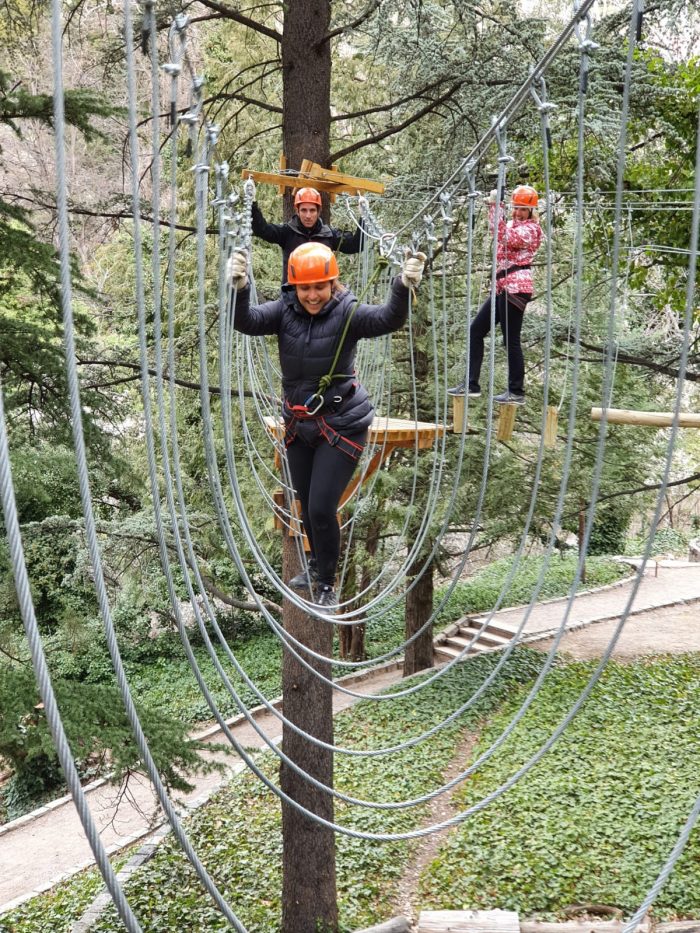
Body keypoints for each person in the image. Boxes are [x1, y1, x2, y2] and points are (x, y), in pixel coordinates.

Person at [227, 242, 425, 609]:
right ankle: (316, 564)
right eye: (305, 288)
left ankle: (327, 583)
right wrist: (239, 290)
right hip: (299, 425)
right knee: (303, 502)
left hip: (342, 423)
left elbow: (388, 319)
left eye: (320, 287)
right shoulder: (284, 311)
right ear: (294, 288)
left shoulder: (347, 312)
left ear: (333, 284)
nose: (313, 295)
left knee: (320, 506)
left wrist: (402, 286)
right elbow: (246, 322)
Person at [448, 184, 542, 404]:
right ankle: (471, 383)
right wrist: (496, 207)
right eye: (516, 208)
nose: (518, 213)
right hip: (502, 287)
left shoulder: (531, 230)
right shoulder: (511, 223)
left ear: (531, 212)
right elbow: (498, 230)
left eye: (523, 210)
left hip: (516, 288)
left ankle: (516, 391)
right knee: (475, 330)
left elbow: (504, 237)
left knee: (511, 340)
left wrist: (495, 206)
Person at [251, 186, 365, 284]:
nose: (308, 215)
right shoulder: (287, 232)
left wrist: (364, 217)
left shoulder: (329, 234)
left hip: (321, 298)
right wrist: (252, 204)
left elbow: (356, 245)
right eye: (304, 210)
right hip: (292, 298)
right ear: (297, 211)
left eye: (312, 210)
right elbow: (262, 230)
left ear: (318, 211)